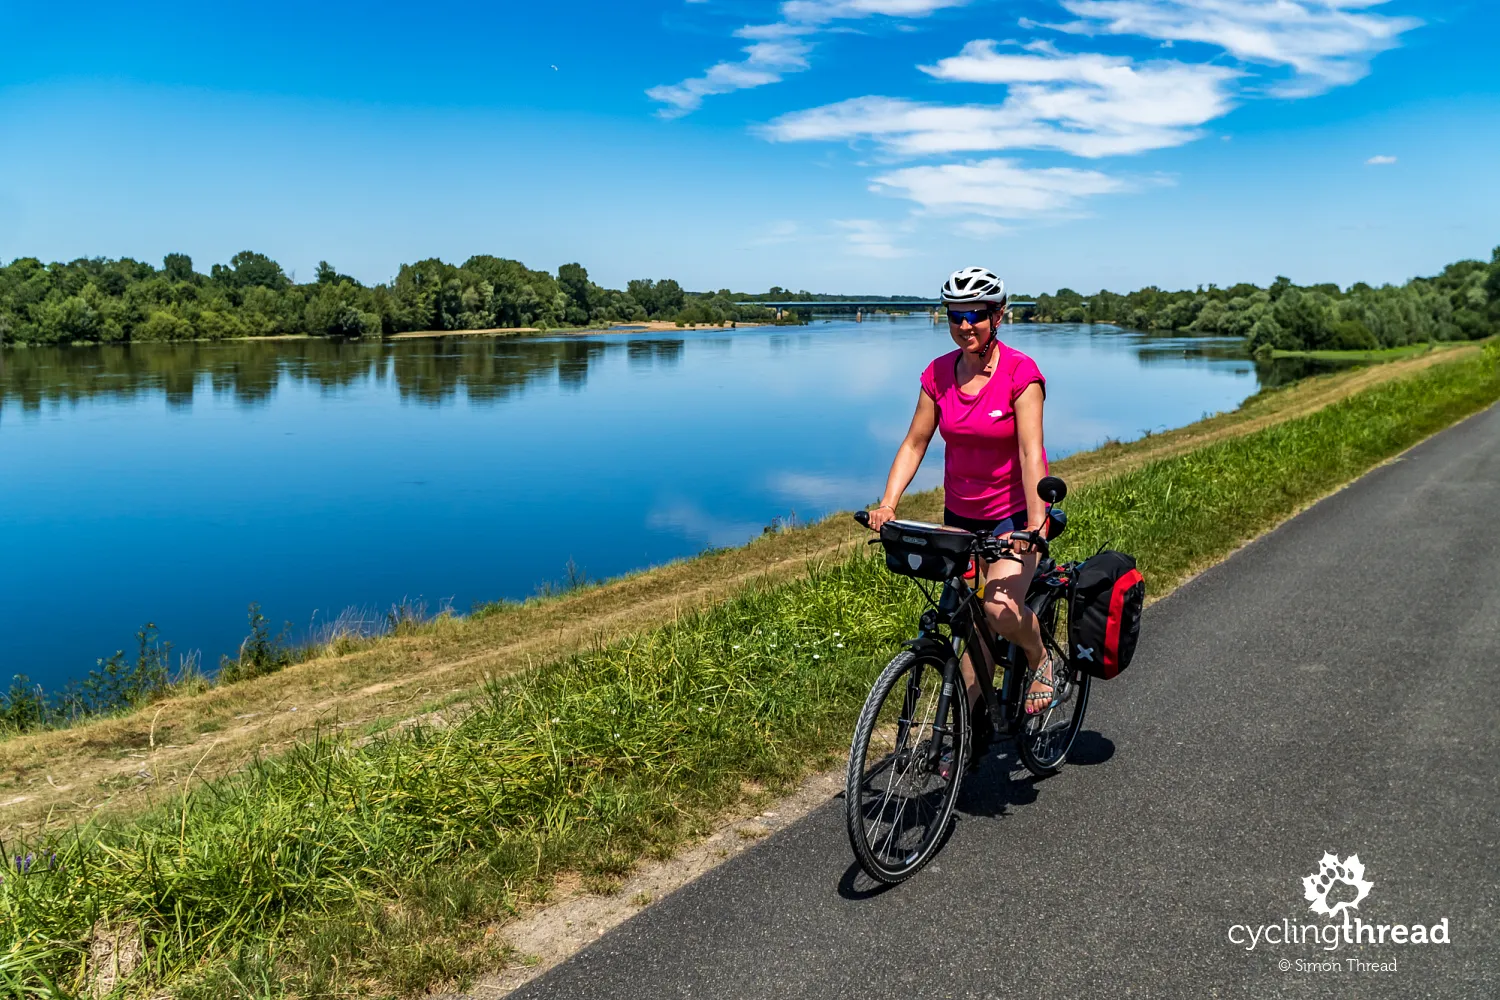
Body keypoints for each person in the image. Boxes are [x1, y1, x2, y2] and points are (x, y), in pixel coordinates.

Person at [866, 265, 1059, 726]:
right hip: (959, 515)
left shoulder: (1020, 374)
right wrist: (888, 503)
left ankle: (1041, 660)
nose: (965, 324)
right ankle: (970, 733)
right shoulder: (937, 374)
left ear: (998, 316)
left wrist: (1035, 526)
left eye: (976, 314)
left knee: (999, 609)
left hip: (1013, 517)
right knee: (963, 622)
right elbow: (915, 442)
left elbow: (1033, 453)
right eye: (956, 315)